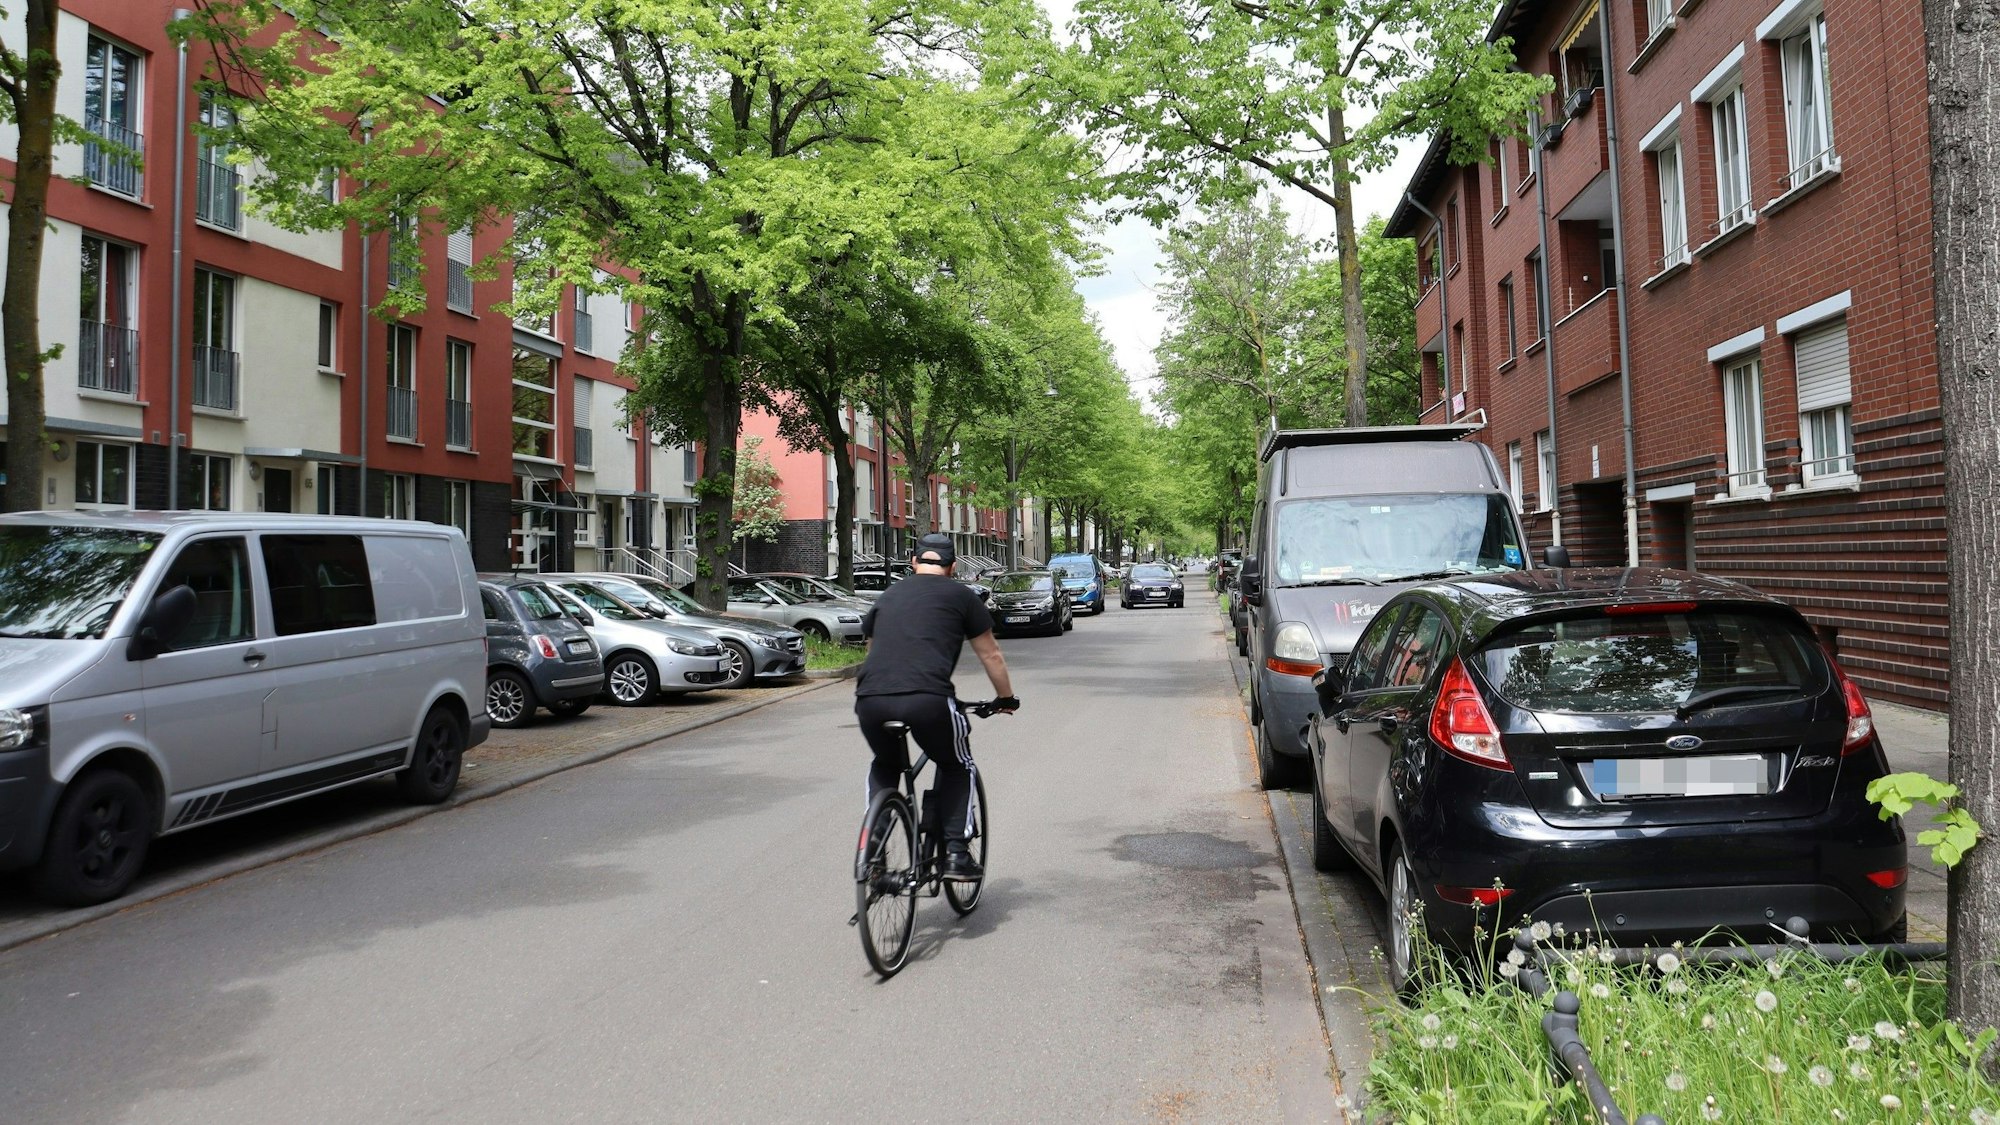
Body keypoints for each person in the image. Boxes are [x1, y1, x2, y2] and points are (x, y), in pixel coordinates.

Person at [855, 532, 1017, 881]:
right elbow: (990, 653)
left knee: (886, 765)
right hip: (928, 699)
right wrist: (1005, 698)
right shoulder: (962, 596)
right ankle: (957, 854)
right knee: (958, 764)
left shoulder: (888, 596)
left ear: (914, 562)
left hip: (870, 699)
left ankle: (872, 853)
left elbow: (872, 648)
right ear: (953, 567)